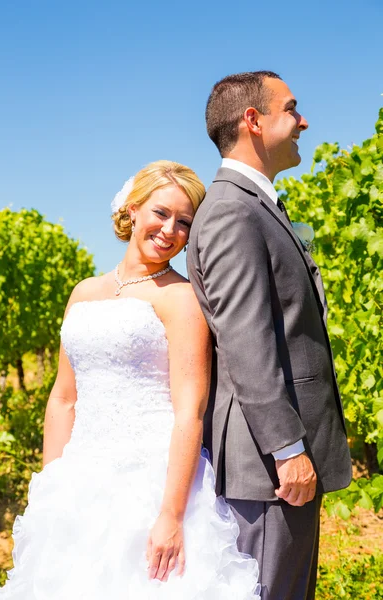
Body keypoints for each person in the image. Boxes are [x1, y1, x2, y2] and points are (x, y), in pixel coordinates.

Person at [0, 160, 260, 599]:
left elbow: (188, 411)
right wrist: (50, 488)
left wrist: (172, 516)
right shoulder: (84, 292)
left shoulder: (181, 298)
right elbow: (63, 399)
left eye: (184, 221)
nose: (170, 229)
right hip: (80, 477)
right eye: (161, 213)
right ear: (132, 209)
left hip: (150, 484)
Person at [187, 72, 352, 600]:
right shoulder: (233, 212)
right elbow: (246, 343)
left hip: (281, 463)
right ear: (252, 122)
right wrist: (287, 449)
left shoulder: (255, 206)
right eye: (291, 109)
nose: (304, 121)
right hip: (270, 469)